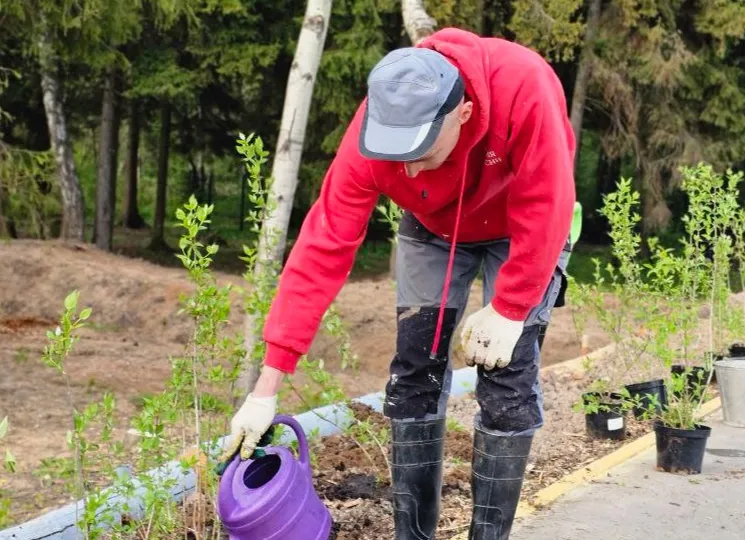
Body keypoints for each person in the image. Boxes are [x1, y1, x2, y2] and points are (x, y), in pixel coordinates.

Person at [223, 27, 575, 540]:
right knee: (414, 374)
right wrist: (265, 389)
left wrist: (512, 307)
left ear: (463, 114)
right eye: (395, 156)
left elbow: (547, 201)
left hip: (524, 229)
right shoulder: (373, 130)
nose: (406, 172)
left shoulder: (524, 86)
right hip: (434, 229)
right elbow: (323, 246)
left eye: (422, 153)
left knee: (508, 378)